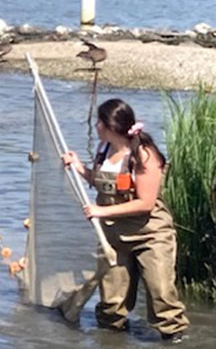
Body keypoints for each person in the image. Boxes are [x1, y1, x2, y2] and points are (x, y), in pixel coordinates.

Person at [62, 98, 189, 342]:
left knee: (161, 294)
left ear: (112, 126)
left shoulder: (143, 155)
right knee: (111, 304)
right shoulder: (104, 148)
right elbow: (103, 185)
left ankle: (174, 339)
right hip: (114, 237)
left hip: (150, 234)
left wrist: (100, 212)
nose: (95, 125)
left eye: (99, 121)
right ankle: (113, 340)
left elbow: (145, 203)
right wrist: (80, 168)